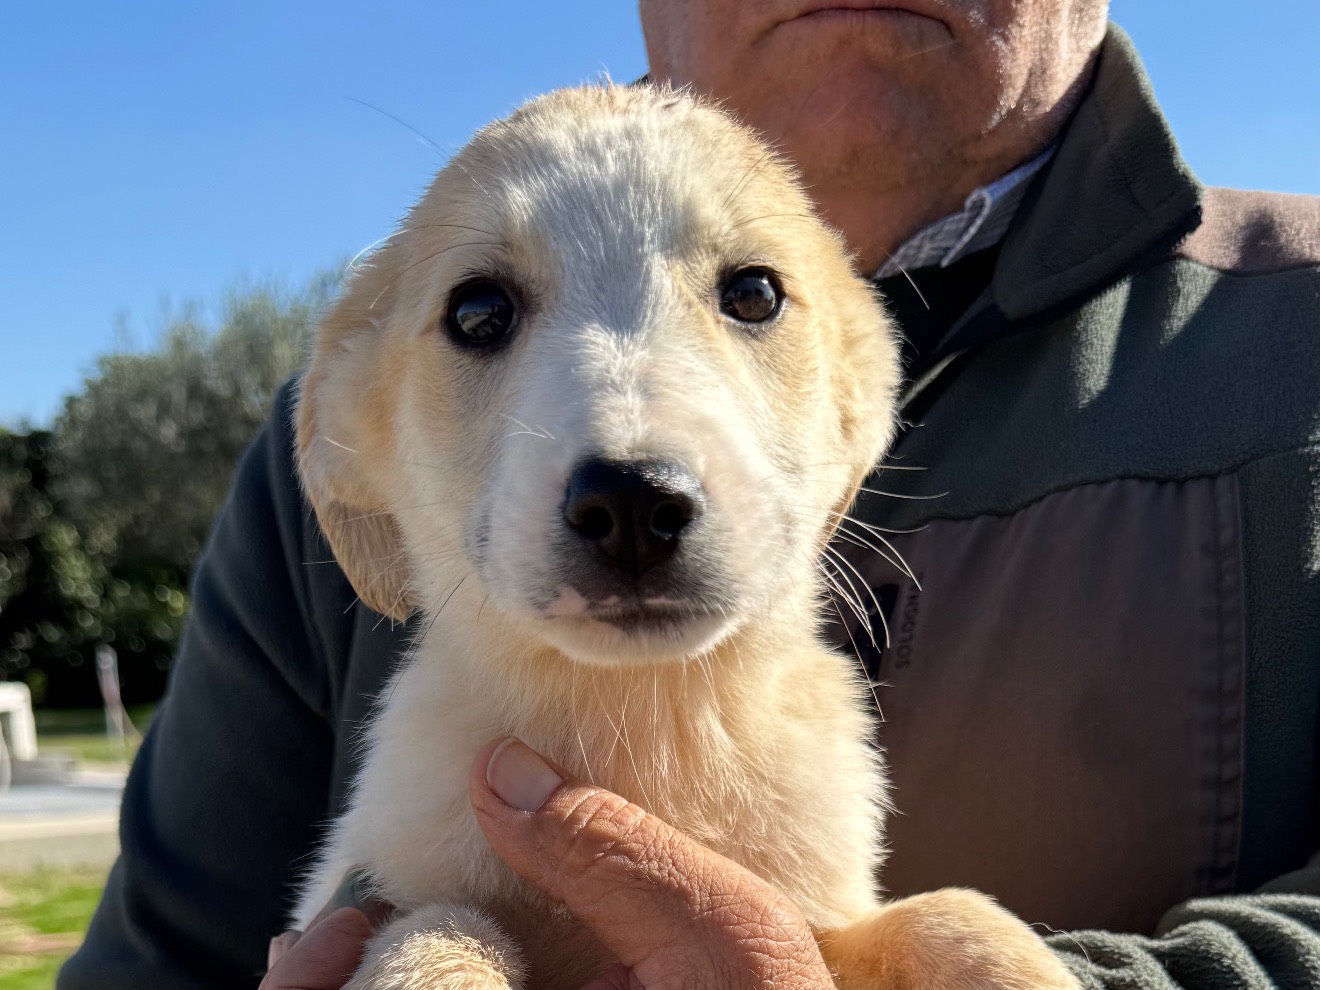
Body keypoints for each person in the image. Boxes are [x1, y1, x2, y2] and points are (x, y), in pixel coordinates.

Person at [61, 1, 1320, 988]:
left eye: (754, 295)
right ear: (348, 439)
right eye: (486, 312)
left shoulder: (1293, 324)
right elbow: (162, 960)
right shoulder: (334, 464)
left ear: (854, 404)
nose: (621, 459)